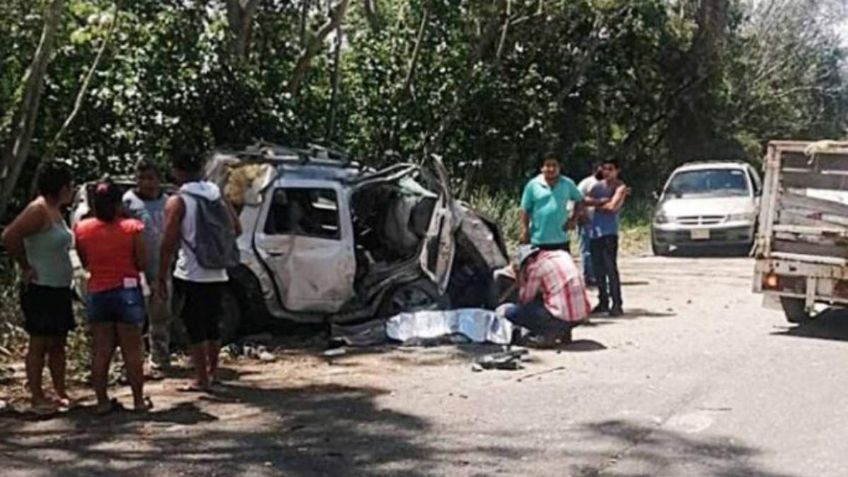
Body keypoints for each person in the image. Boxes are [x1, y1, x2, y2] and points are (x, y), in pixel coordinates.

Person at [158, 153, 240, 393]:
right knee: (213, 324)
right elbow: (236, 227)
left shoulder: (178, 200)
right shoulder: (216, 193)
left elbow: (168, 242)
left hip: (191, 272)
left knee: (194, 326)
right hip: (218, 270)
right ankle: (213, 373)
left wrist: (161, 276)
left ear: (177, 172)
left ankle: (201, 379)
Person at [1, 161, 75, 414]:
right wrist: (25, 266)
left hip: (59, 287)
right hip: (40, 286)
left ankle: (60, 391)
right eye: (69, 185)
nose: (73, 189)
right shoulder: (38, 209)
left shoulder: (57, 211)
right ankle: (37, 396)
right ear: (61, 187)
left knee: (58, 342)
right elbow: (9, 236)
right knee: (40, 343)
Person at [74, 181, 151, 414]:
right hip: (127, 292)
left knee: (101, 349)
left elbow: (84, 260)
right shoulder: (133, 227)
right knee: (132, 349)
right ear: (119, 203)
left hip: (98, 291)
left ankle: (102, 401)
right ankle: (138, 400)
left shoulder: (82, 228)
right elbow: (142, 262)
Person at [123, 159, 170, 376]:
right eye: (143, 178)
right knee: (134, 316)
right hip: (136, 268)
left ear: (159, 180)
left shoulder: (168, 202)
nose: (148, 183)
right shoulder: (128, 202)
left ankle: (159, 358)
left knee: (160, 314)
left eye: (152, 178)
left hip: (163, 266)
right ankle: (133, 362)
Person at [501, 245, 591, 348]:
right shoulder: (563, 255)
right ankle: (564, 331)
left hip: (561, 317)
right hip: (580, 315)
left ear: (529, 260)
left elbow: (525, 299)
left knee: (511, 312)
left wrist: (521, 281)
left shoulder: (536, 267)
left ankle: (547, 334)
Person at [586, 159, 628, 317]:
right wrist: (599, 202)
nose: (607, 172)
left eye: (610, 169)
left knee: (611, 269)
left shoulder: (620, 187)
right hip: (594, 232)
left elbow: (612, 207)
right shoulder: (597, 186)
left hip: (609, 232)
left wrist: (598, 205)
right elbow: (585, 200)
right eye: (604, 169)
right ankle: (603, 301)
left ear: (617, 170)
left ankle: (617, 303)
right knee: (598, 270)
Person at [520, 152, 584, 251]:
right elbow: (525, 209)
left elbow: (580, 200)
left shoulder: (567, 183)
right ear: (542, 168)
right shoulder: (533, 185)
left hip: (561, 239)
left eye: (554, 165)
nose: (551, 169)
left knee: (562, 267)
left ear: (559, 167)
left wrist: (573, 220)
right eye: (548, 165)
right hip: (538, 240)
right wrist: (525, 231)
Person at [577, 164, 605, 286]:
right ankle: (588, 276)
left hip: (600, 223)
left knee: (598, 250)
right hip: (586, 221)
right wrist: (581, 216)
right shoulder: (586, 183)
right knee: (586, 250)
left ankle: (597, 274)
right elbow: (577, 200)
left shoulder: (606, 184)